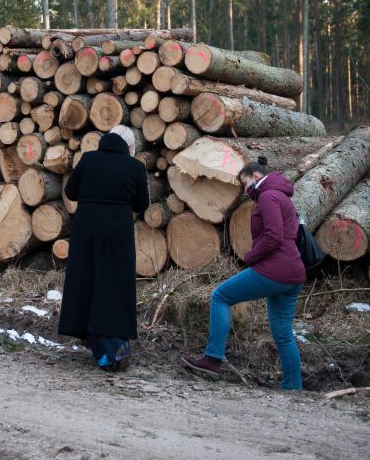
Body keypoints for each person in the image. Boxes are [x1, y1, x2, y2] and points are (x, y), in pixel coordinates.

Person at [181, 156, 306, 390]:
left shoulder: (268, 197)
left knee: (220, 296)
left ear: (257, 177)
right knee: (284, 335)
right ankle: (293, 386)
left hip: (274, 269)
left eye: (246, 184)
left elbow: (273, 236)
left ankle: (212, 359)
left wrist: (250, 257)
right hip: (293, 273)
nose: (246, 191)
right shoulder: (282, 196)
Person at [58, 125, 150, 371]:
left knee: (86, 280)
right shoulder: (136, 167)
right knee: (114, 285)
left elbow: (70, 191)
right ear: (129, 147)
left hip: (86, 227)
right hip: (117, 230)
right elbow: (142, 203)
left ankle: (92, 338)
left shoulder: (88, 159)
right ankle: (113, 347)